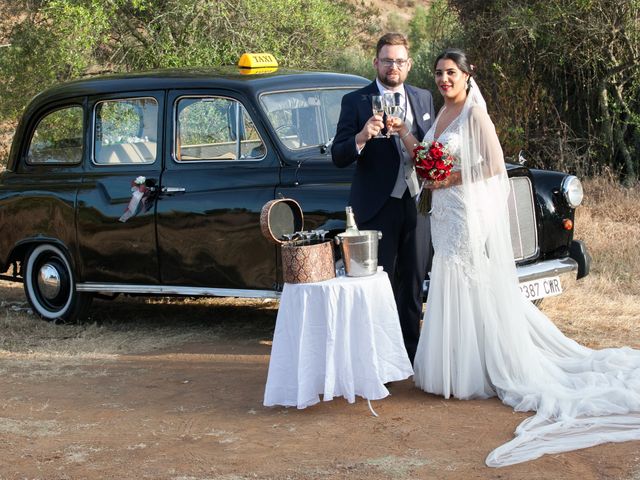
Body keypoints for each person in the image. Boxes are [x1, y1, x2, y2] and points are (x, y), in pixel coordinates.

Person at [392, 48, 640, 467]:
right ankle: (452, 365)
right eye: (439, 73)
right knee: (451, 277)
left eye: (451, 72)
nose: (444, 79)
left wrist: (445, 178)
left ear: (468, 75)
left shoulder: (475, 114)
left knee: (467, 278)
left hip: (464, 211)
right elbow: (425, 155)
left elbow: (490, 166)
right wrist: (404, 133)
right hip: (443, 215)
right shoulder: (440, 115)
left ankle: (477, 369)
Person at [332, 32, 435, 363]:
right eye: (387, 60)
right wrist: (362, 135)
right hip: (377, 206)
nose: (394, 66)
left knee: (415, 281)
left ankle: (410, 355)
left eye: (400, 61)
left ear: (409, 64)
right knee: (380, 286)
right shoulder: (356, 101)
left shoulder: (423, 98)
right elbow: (339, 155)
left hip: (418, 204)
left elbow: (430, 149)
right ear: (376, 62)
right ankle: (379, 358)